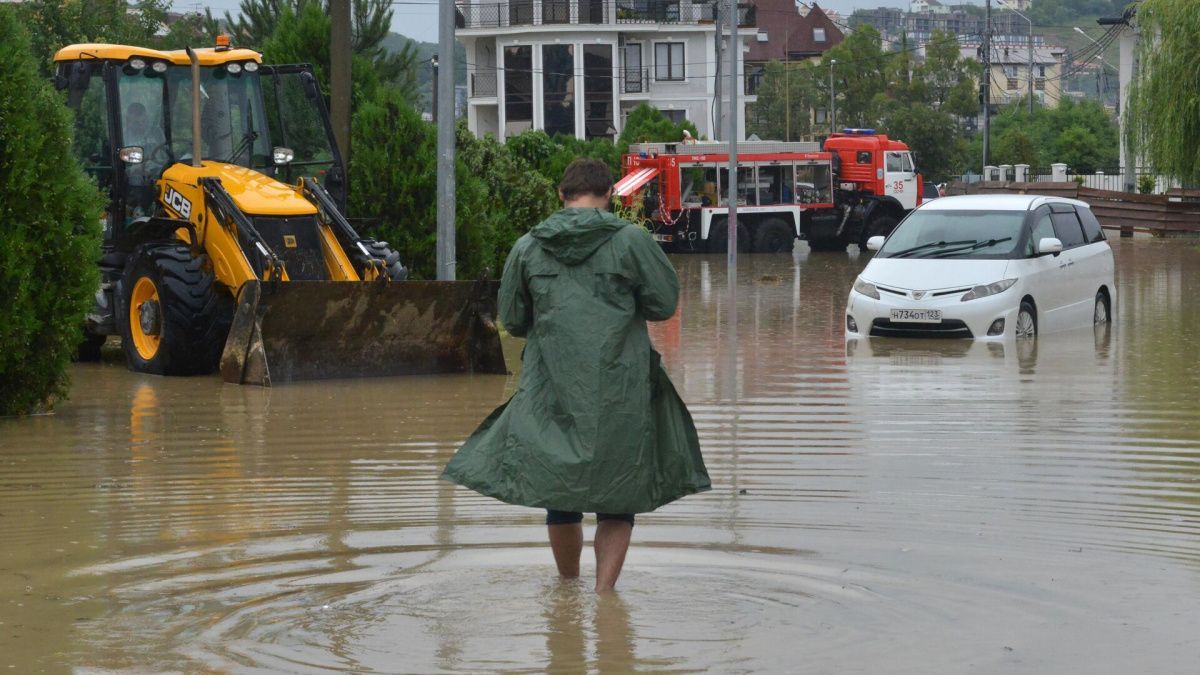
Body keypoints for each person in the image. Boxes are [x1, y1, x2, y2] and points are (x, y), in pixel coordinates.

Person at [442, 159, 710, 593]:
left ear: (561, 195)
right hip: (620, 387)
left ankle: (568, 590)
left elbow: (512, 318)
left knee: (561, 494)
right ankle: (604, 597)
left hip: (553, 385)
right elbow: (663, 305)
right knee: (619, 497)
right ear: (609, 196)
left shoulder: (527, 247)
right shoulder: (633, 241)